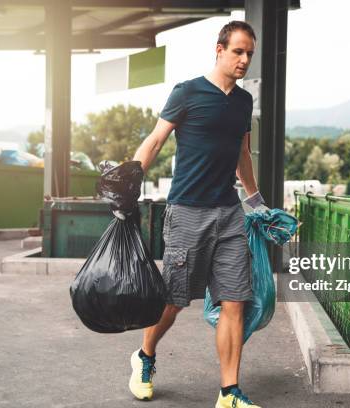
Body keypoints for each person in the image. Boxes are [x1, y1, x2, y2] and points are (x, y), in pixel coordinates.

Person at [129, 20, 268, 408]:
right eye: (238, 51)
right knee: (173, 300)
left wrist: (257, 203)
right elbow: (155, 141)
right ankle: (145, 356)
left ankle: (229, 392)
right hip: (188, 211)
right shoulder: (187, 92)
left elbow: (242, 155)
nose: (244, 60)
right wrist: (129, 185)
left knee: (235, 300)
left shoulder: (243, 102)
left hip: (228, 214)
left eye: (249, 54)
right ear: (219, 49)